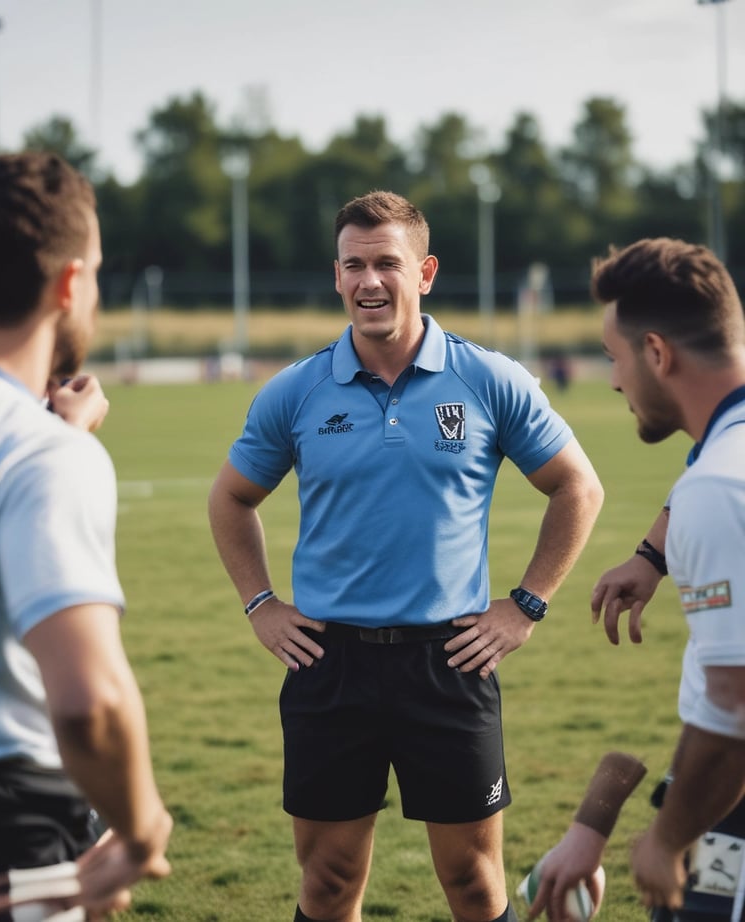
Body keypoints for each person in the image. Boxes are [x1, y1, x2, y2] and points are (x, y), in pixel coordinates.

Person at [208, 190, 604, 922]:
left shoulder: (487, 379)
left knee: (475, 884)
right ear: (336, 277)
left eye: (386, 263)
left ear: (423, 272)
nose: (369, 282)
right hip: (328, 663)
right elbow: (230, 499)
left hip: (448, 662)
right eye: (353, 265)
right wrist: (261, 605)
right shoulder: (295, 391)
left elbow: (578, 487)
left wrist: (526, 605)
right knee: (326, 881)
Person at [0, 152, 172, 919]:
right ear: (68, 285)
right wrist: (140, 824)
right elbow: (90, 703)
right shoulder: (39, 453)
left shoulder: (41, 442)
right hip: (8, 818)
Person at [528, 237, 745, 922]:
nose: (615, 380)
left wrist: (666, 840)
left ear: (657, 353)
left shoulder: (719, 488)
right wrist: (652, 556)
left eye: (616, 359)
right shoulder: (720, 463)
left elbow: (735, 703)